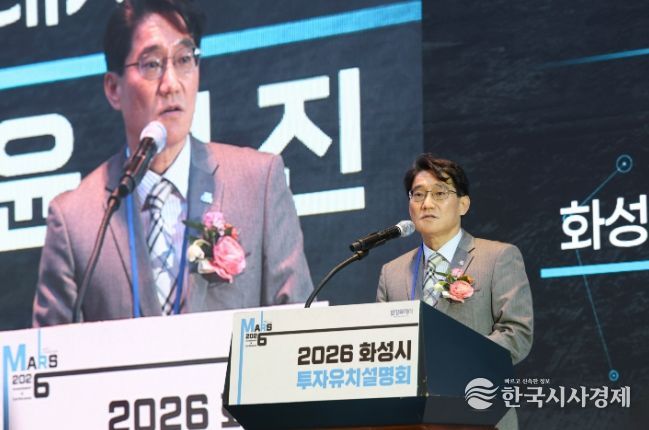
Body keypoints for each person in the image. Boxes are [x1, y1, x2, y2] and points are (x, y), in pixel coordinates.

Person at [33, 0, 313, 326]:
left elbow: (299, 331)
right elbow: (51, 350)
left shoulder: (257, 183)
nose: (171, 84)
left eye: (183, 60)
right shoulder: (74, 220)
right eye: (152, 64)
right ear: (113, 88)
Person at [376, 154, 533, 430]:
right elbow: (382, 346)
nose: (427, 203)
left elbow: (517, 333)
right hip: (410, 421)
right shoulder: (392, 273)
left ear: (463, 204)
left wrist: (452, 361)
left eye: (439, 193)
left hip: (480, 413)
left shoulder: (497, 257)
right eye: (418, 194)